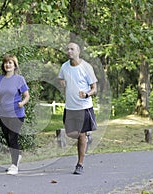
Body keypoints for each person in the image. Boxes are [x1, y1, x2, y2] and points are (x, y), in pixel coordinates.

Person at [58, 42, 98, 175]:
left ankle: (80, 164)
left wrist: (87, 94)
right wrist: (62, 82)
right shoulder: (64, 67)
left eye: (72, 49)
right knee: (71, 134)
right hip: (70, 107)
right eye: (67, 49)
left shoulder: (86, 67)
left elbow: (94, 89)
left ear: (78, 51)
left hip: (83, 107)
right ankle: (87, 138)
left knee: (80, 135)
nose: (69, 51)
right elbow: (61, 78)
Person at [0, 54, 30, 175]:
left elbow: (27, 96)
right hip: (3, 114)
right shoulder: (0, 79)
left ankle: (14, 166)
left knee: (13, 138)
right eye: (6, 63)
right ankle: (16, 157)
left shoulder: (20, 79)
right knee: (8, 139)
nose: (7, 65)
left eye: (10, 63)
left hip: (16, 114)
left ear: (14, 65)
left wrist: (22, 103)